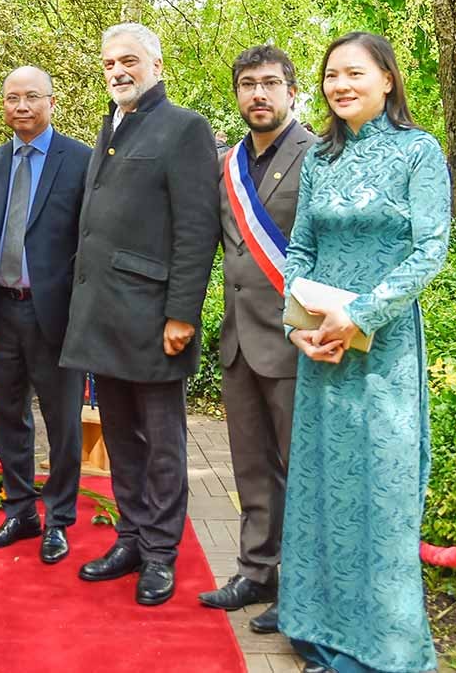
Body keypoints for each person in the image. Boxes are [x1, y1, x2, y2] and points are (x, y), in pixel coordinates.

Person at [280, 32, 450, 673]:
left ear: (387, 79)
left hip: (384, 350)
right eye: (331, 75)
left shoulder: (418, 151)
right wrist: (297, 327)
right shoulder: (319, 158)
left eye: (354, 73)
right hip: (321, 349)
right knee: (322, 487)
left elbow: (430, 249)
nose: (340, 85)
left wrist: (360, 314)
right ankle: (318, 630)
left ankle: (384, 648)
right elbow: (300, 251)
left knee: (382, 490)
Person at [60, 23, 219, 606]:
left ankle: (159, 553)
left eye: (129, 60)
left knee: (161, 442)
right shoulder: (111, 125)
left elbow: (197, 228)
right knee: (121, 439)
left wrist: (182, 313)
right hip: (104, 314)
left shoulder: (184, 127)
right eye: (108, 63)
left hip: (153, 318)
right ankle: (130, 537)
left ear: (157, 65)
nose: (117, 71)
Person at [198, 45, 315, 633]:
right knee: (250, 467)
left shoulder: (318, 156)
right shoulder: (227, 165)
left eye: (270, 83)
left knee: (300, 471)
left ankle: (302, 590)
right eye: (248, 84)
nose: (259, 94)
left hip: (297, 342)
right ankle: (256, 571)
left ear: (292, 92)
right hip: (239, 341)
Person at [0, 66, 90, 564]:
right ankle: (20, 511)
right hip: (3, 311)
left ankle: (58, 519)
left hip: (55, 316)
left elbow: (90, 243)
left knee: (63, 422)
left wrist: (85, 312)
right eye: (12, 97)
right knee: (7, 415)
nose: (21, 106)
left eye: (32, 97)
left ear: (51, 102)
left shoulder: (79, 160)